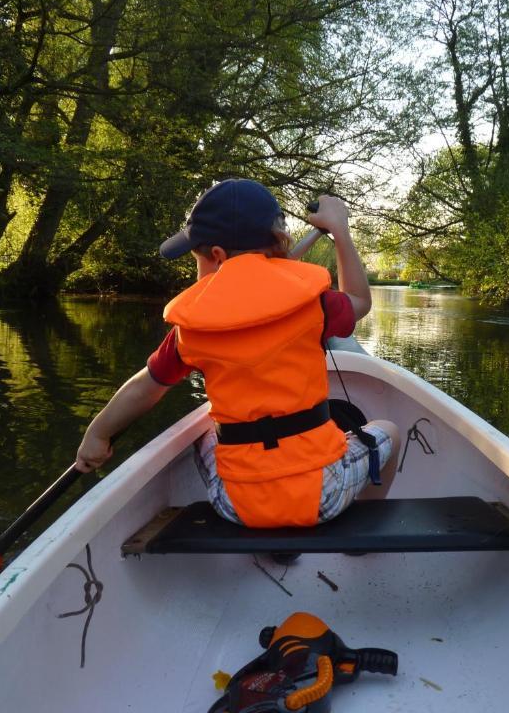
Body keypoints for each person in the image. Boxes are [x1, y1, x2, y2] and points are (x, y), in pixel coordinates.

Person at [75, 178, 399, 528]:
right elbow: (361, 301)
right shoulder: (315, 303)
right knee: (388, 430)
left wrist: (98, 433)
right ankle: (361, 533)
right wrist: (340, 229)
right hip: (324, 494)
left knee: (204, 431)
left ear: (216, 256)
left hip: (235, 504)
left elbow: (144, 389)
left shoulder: (191, 328)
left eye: (195, 259)